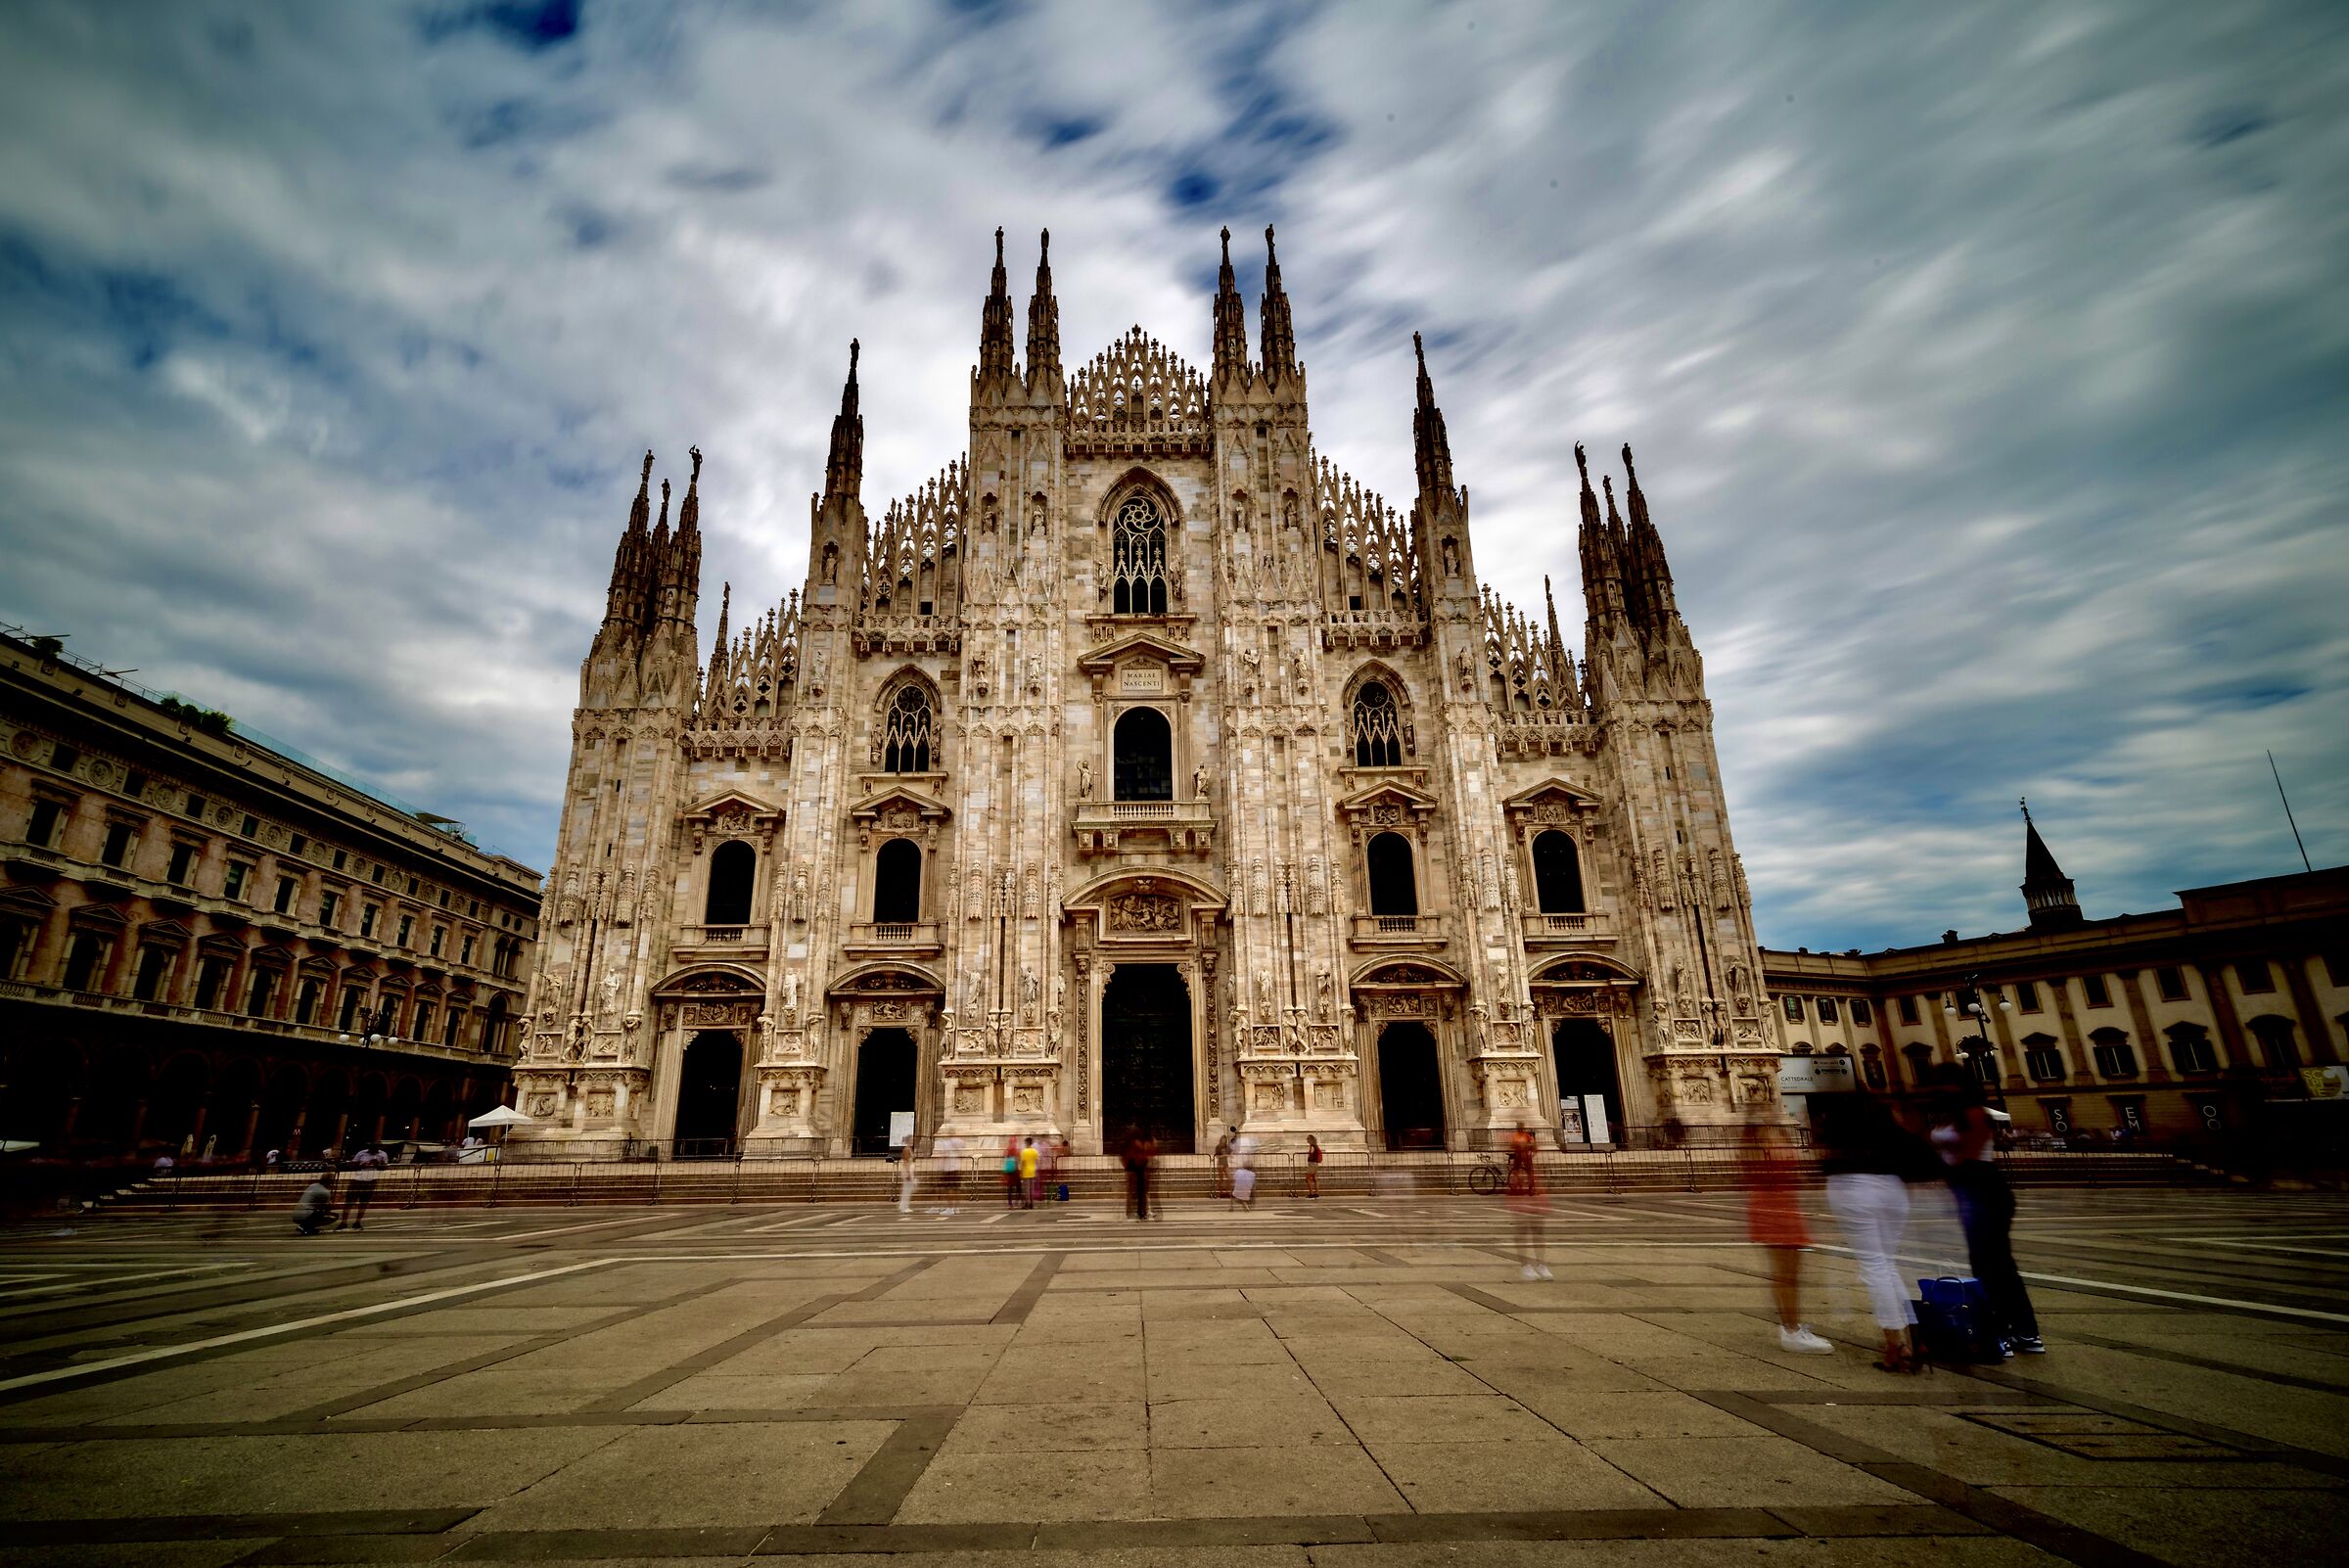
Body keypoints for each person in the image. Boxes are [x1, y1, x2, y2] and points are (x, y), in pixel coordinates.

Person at [1815, 1091, 1936, 1373]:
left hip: (1856, 1190)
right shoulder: (1887, 1124)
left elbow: (1827, 1144)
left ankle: (1896, 1345)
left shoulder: (1843, 1125)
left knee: (1875, 1267)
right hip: (1893, 1191)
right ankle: (1916, 1336)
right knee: (1887, 1265)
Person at [1930, 1067, 2042, 1355]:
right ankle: (2011, 1329)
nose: (1938, 1090)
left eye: (1945, 1085)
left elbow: (1970, 1156)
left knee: (1996, 1266)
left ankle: (2020, 1332)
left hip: (1985, 1192)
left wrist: (1940, 1171)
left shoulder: (1975, 1114)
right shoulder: (1950, 1116)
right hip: (1971, 1195)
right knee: (1987, 1265)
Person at [1745, 1120, 1831, 1354]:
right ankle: (1791, 1329)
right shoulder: (1762, 1141)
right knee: (1786, 1274)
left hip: (1781, 1208)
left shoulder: (1767, 1135)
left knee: (1786, 1274)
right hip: (1776, 1211)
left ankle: (1791, 1328)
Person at [1507, 1122, 1551, 1280]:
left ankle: (1541, 1264)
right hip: (1521, 1199)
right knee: (1522, 1231)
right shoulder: (1516, 1172)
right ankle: (1526, 1265)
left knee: (1538, 1231)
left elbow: (1534, 1147)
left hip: (1532, 1199)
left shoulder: (1531, 1170)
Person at [337, 1144, 384, 1231]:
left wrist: (378, 1164)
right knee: (349, 1201)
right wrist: (362, 1164)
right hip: (358, 1179)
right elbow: (353, 1165)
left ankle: (357, 1222)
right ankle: (344, 1222)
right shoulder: (361, 1153)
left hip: (371, 1180)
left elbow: (384, 1167)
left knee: (364, 1202)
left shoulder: (382, 1154)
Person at [1122, 1127, 1154, 1221]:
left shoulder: (1132, 1144)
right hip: (1138, 1170)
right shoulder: (1137, 1144)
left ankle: (1138, 1212)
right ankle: (1140, 1212)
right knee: (1140, 1192)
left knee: (1137, 1192)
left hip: (1136, 1170)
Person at [293, 1170, 335, 1235]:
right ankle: (305, 1226)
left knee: (315, 1210)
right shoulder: (325, 1192)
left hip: (296, 1213)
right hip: (305, 1215)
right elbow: (326, 1207)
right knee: (327, 1214)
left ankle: (308, 1226)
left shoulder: (312, 1185)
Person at [935, 1133, 964, 1211]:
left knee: (949, 1188)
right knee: (956, 1189)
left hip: (949, 1169)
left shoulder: (947, 1143)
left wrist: (940, 1166)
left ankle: (950, 1208)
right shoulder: (957, 1142)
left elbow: (945, 1155)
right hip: (956, 1168)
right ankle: (956, 1208)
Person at [898, 1130, 922, 1215]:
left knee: (907, 1190)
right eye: (911, 1140)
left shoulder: (909, 1149)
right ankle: (903, 1206)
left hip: (909, 1171)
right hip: (907, 1171)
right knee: (906, 1191)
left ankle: (904, 1206)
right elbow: (906, 1162)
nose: (912, 1141)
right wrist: (908, 1173)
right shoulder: (907, 1149)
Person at [1018, 1135, 1040, 1208]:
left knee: (1027, 1189)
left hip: (1026, 1172)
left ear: (1027, 1143)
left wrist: (1021, 1172)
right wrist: (1037, 1171)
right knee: (1031, 1189)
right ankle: (1032, 1203)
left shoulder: (1024, 1151)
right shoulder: (1035, 1151)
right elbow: (1037, 1162)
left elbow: (1023, 1163)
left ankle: (1027, 1203)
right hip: (1033, 1171)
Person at [1213, 1128, 1234, 1199]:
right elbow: (1216, 1156)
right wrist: (1224, 1155)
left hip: (1226, 1164)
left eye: (1225, 1140)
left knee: (1229, 1178)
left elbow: (1231, 1153)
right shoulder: (1218, 1147)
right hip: (1220, 1164)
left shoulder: (1227, 1147)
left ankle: (1228, 1192)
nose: (1224, 1141)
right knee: (1221, 1179)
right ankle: (1220, 1193)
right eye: (1223, 1139)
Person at [1002, 1138, 1023, 1210]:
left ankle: (1010, 1204)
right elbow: (1019, 1160)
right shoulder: (1016, 1150)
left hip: (1009, 1172)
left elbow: (1004, 1159)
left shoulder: (1007, 1150)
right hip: (1015, 1171)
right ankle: (1017, 1202)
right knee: (1018, 1188)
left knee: (1010, 1189)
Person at [1305, 1134, 1323, 1198]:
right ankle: (1317, 1193)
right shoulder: (1316, 1146)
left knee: (1308, 1178)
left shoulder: (1312, 1146)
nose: (1307, 1140)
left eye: (1308, 1139)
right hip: (1316, 1164)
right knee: (1315, 1178)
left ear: (1311, 1140)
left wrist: (1308, 1155)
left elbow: (1311, 1153)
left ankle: (1311, 1193)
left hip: (1312, 1164)